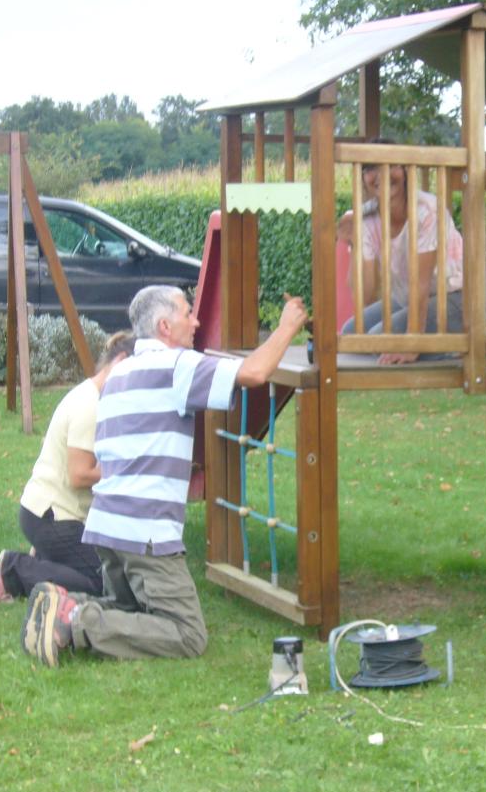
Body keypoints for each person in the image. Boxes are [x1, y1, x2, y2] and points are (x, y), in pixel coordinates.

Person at [20, 285, 307, 666]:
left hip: (107, 527)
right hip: (145, 532)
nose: (197, 321)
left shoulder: (118, 375)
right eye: (188, 312)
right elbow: (253, 373)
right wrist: (286, 328)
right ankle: (75, 620)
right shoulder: (177, 366)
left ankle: (62, 603)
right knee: (187, 635)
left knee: (129, 608)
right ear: (164, 326)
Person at [0, 330, 136, 602]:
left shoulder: (96, 397)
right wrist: (128, 469)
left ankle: (45, 559)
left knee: (116, 574)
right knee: (100, 582)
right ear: (121, 362)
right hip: (53, 517)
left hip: (54, 515)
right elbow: (79, 475)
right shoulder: (90, 406)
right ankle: (15, 569)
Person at [337, 145, 486, 365]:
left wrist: (414, 344)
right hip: (414, 297)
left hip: (466, 291)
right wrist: (354, 243)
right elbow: (365, 295)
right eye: (370, 168)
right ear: (363, 177)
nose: (381, 174)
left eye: (391, 165)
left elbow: (420, 284)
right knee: (352, 333)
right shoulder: (367, 217)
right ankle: (447, 337)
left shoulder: (426, 210)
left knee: (383, 340)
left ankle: (464, 345)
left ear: (404, 171)